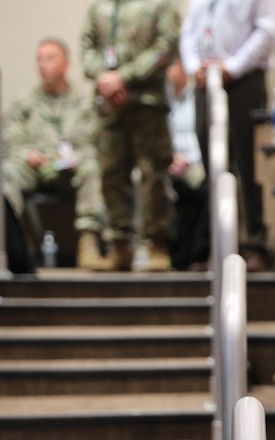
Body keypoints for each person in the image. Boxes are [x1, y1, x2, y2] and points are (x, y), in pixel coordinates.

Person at [82, 0, 180, 272]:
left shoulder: (160, 5)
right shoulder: (99, 7)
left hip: (147, 102)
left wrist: (123, 77)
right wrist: (104, 78)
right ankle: (120, 247)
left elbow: (166, 46)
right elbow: (87, 48)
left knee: (153, 174)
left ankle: (157, 246)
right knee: (112, 174)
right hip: (109, 106)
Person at [180, 0, 275, 266]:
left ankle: (254, 244)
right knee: (214, 165)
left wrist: (232, 68)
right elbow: (189, 31)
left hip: (243, 80)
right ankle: (220, 243)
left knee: (248, 166)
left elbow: (267, 31)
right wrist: (194, 68)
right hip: (205, 82)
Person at [2, 38, 108, 270]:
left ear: (66, 65)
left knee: (92, 168)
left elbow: (97, 141)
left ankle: (88, 244)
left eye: (50, 59)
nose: (43, 65)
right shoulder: (24, 103)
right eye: (39, 59)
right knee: (7, 170)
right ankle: (13, 247)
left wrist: (76, 159)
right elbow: (9, 139)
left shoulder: (85, 101)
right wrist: (26, 153)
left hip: (70, 169)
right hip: (35, 167)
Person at [165, 61, 211, 271]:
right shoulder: (157, 100)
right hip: (162, 161)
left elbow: (201, 136)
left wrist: (187, 159)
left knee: (207, 186)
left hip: (194, 161)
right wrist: (169, 156)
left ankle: (197, 254)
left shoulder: (198, 99)